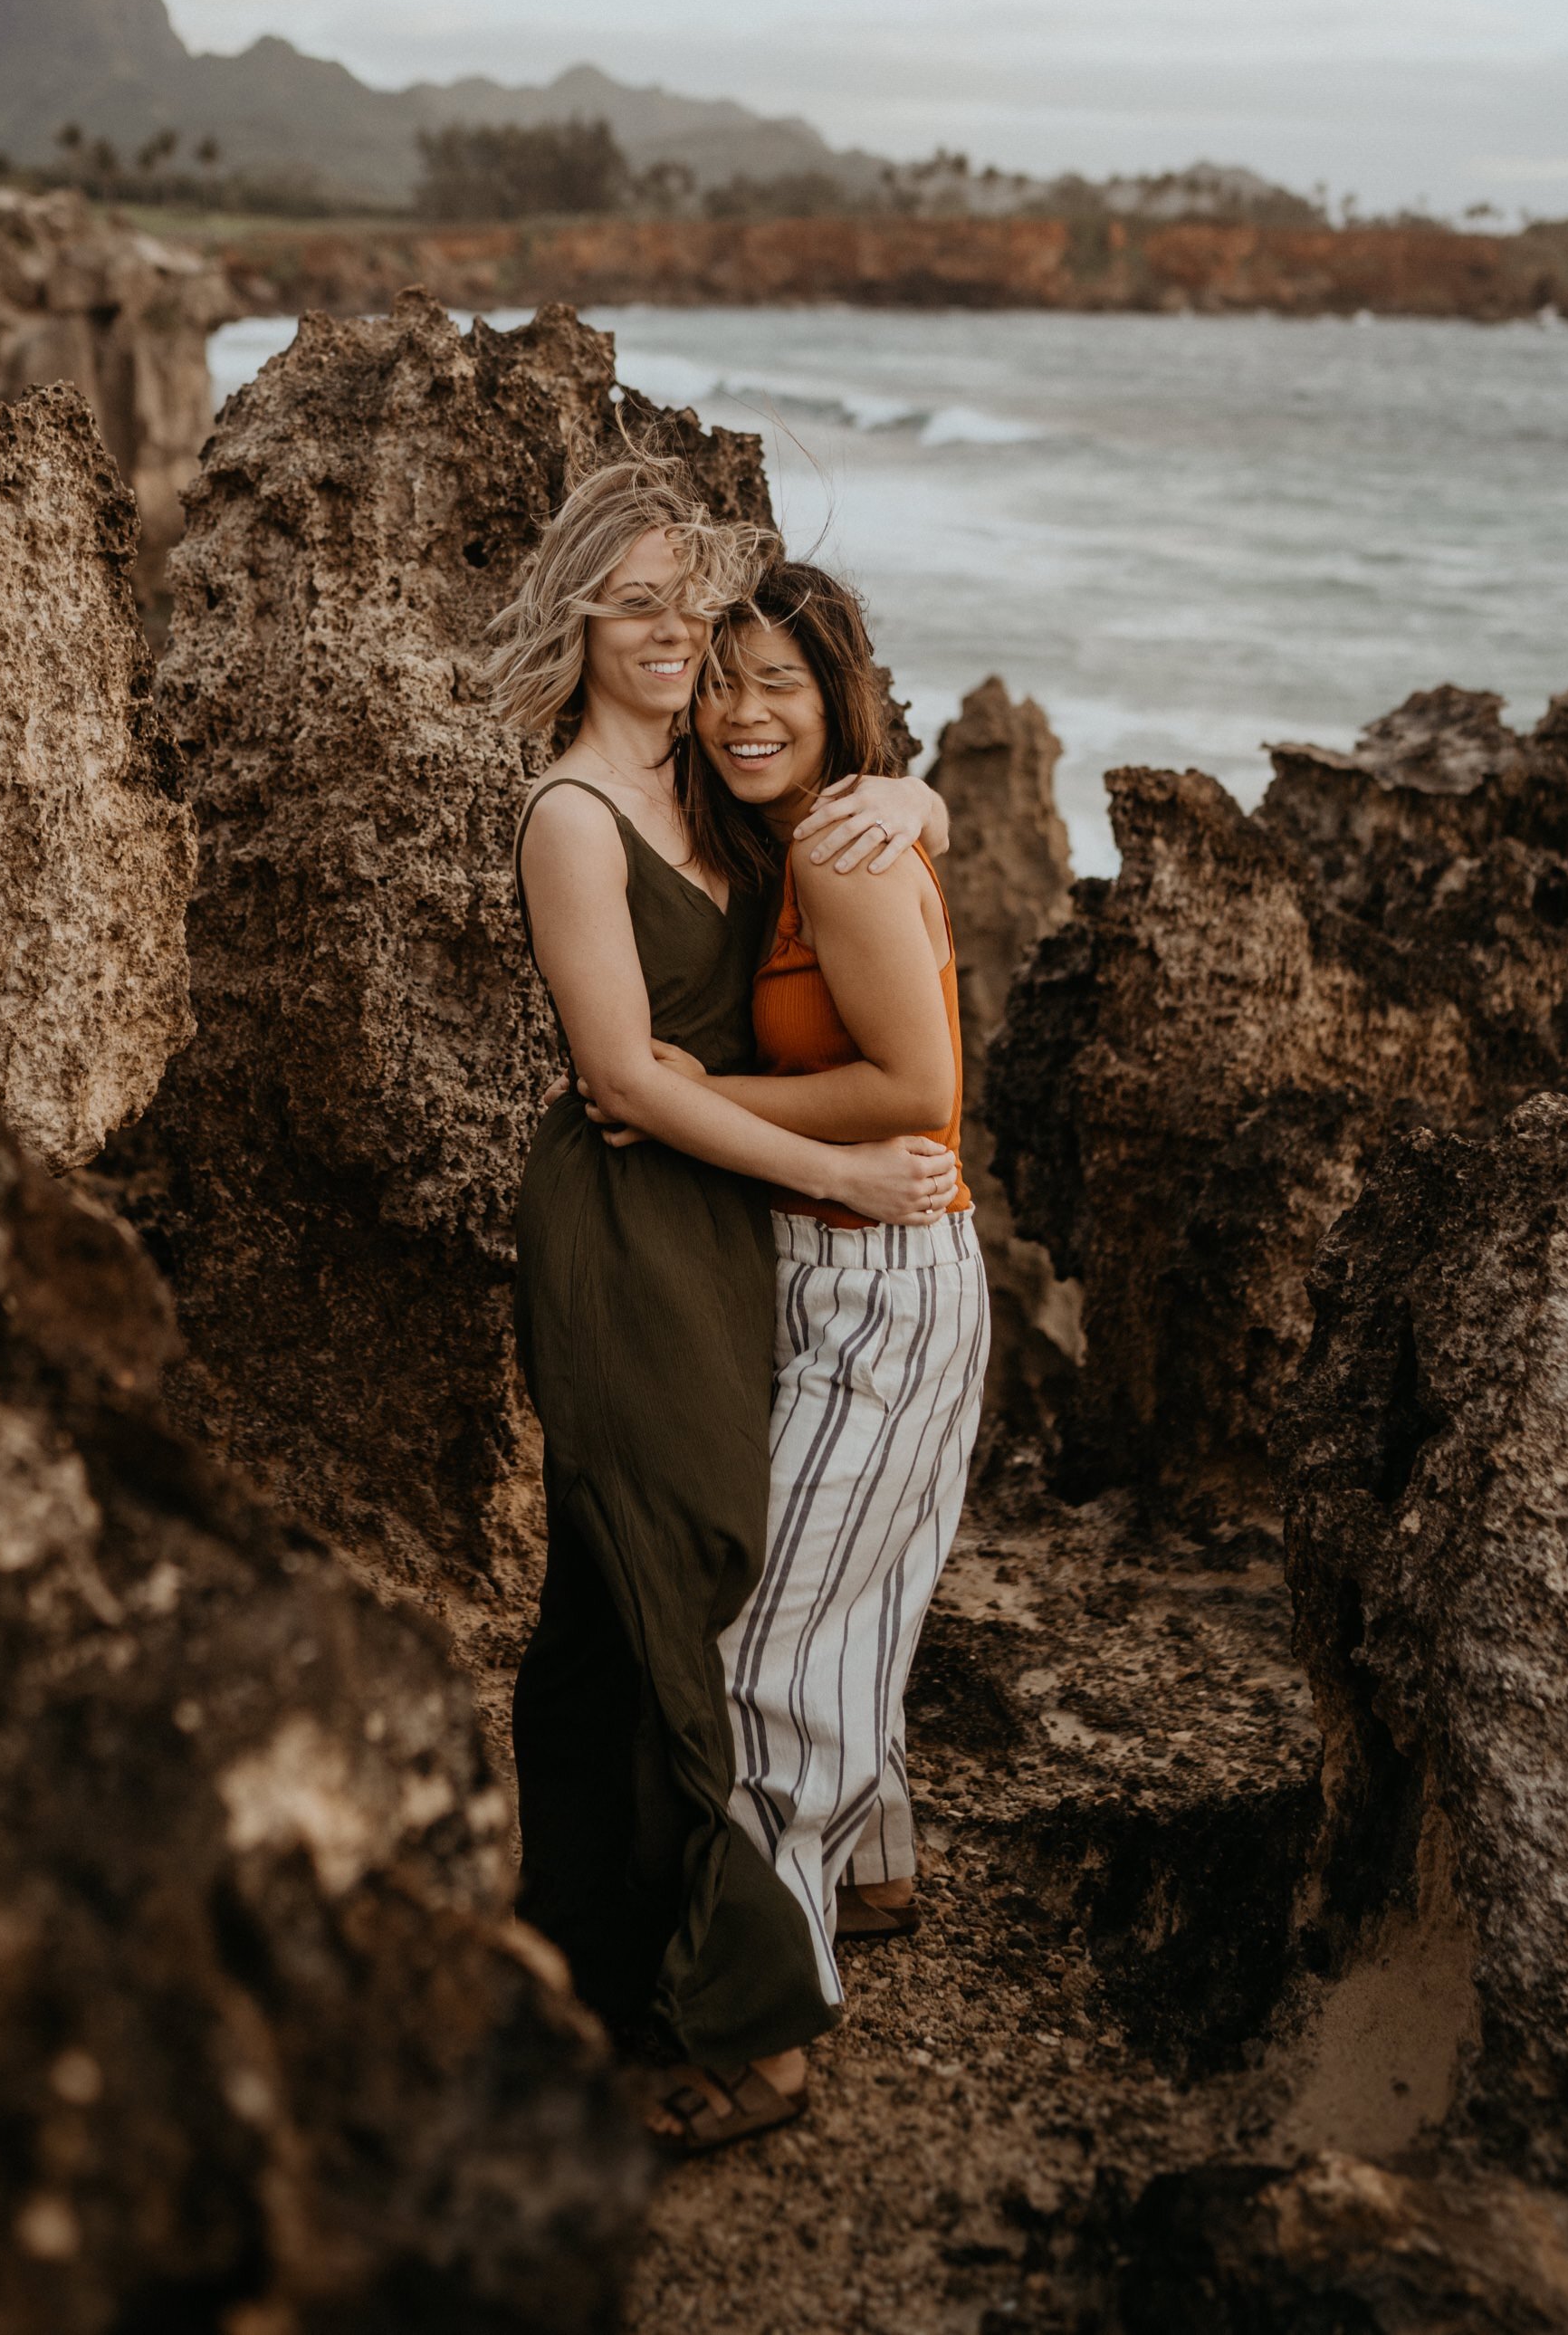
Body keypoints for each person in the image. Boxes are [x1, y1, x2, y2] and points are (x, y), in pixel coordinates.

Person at [489, 455, 956, 2154]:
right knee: (648, 1576)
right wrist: (837, 1174)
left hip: (731, 1220)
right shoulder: (572, 812)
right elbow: (621, 1071)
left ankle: (641, 1958)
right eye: (641, 606)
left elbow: (831, 773)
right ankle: (641, 1983)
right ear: (583, 621)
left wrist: (925, 806)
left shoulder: (704, 775)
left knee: (672, 1582)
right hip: (627, 1227)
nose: (678, 634)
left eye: (691, 604)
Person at [606, 558, 990, 2058]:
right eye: (720, 678)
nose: (742, 710)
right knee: (852, 1598)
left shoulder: (835, 851)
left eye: (782, 682)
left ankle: (751, 2032)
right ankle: (867, 1876)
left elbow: (921, 1091)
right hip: (851, 1273)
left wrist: (707, 1092)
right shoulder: (811, 830)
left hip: (883, 1283)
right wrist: (926, 799)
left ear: (840, 700)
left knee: (761, 1657)